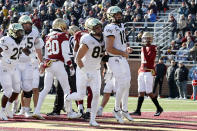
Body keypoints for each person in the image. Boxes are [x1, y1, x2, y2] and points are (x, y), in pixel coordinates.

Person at [32, 18, 80, 119]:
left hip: (49, 64)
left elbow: (46, 54)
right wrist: (70, 65)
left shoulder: (48, 36)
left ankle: (36, 110)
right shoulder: (62, 36)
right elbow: (65, 53)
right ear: (61, 26)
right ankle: (69, 112)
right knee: (67, 89)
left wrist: (44, 65)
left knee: (45, 89)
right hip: (59, 64)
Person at [65, 18, 105, 126]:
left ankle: (92, 119)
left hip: (96, 70)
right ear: (91, 29)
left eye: (99, 26)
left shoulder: (104, 37)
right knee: (81, 95)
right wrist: (84, 71)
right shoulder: (87, 38)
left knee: (96, 94)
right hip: (83, 69)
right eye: (96, 27)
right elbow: (78, 58)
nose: (99, 29)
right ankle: (67, 98)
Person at [104, 6, 133, 124]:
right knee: (122, 83)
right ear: (111, 16)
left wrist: (126, 48)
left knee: (127, 83)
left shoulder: (121, 25)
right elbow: (109, 48)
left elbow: (122, 42)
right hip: (114, 58)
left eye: (120, 14)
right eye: (116, 15)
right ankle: (116, 109)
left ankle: (124, 109)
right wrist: (123, 53)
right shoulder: (109, 27)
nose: (119, 16)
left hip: (121, 57)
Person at [16, 15, 44, 118]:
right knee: (16, 87)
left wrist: (41, 62)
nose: (28, 26)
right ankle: (18, 108)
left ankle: (31, 110)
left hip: (30, 62)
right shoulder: (15, 32)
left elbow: (38, 48)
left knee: (31, 87)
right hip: (17, 62)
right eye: (25, 25)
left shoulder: (35, 32)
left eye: (29, 24)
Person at [130, 32, 163, 116]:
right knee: (140, 92)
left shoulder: (153, 47)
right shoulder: (143, 48)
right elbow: (143, 61)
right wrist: (139, 69)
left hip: (148, 71)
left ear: (151, 39)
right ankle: (138, 110)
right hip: (142, 71)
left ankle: (159, 108)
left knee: (148, 92)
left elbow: (148, 59)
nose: (146, 40)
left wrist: (144, 48)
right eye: (145, 38)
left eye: (148, 38)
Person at [0, 23, 26, 120]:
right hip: (4, 67)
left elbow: (23, 50)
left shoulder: (20, 41)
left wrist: (32, 56)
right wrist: (3, 59)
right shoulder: (6, 40)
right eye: (19, 32)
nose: (21, 34)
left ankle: (7, 107)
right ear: (12, 33)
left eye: (21, 32)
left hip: (14, 67)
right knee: (7, 91)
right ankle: (1, 111)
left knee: (17, 90)